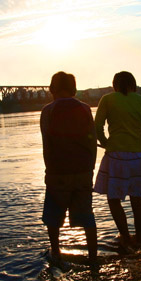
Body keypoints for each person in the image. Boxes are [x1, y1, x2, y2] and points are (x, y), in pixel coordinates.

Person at [94, 71, 141, 251]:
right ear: (134, 84)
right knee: (137, 202)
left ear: (115, 85)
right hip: (138, 158)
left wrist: (106, 143)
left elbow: (97, 127)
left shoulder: (107, 99)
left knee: (114, 199)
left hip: (115, 158)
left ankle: (125, 237)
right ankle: (139, 240)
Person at [40, 71, 98, 266]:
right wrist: (90, 168)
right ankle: (92, 257)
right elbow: (92, 142)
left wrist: (49, 170)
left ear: (52, 88)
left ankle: (56, 251)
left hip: (58, 172)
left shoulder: (48, 111)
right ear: (74, 88)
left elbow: (46, 143)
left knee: (54, 214)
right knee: (87, 215)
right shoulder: (85, 108)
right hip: (83, 170)